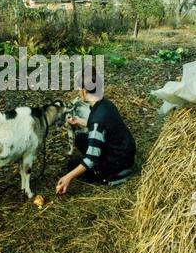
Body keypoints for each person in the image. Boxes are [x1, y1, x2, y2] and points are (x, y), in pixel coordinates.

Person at [56, 67, 136, 195]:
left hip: (118, 162)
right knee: (80, 138)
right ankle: (117, 168)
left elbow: (91, 158)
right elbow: (104, 126)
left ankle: (113, 176)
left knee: (72, 165)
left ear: (83, 91)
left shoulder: (97, 120)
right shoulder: (105, 103)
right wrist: (79, 121)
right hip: (125, 151)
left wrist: (68, 177)